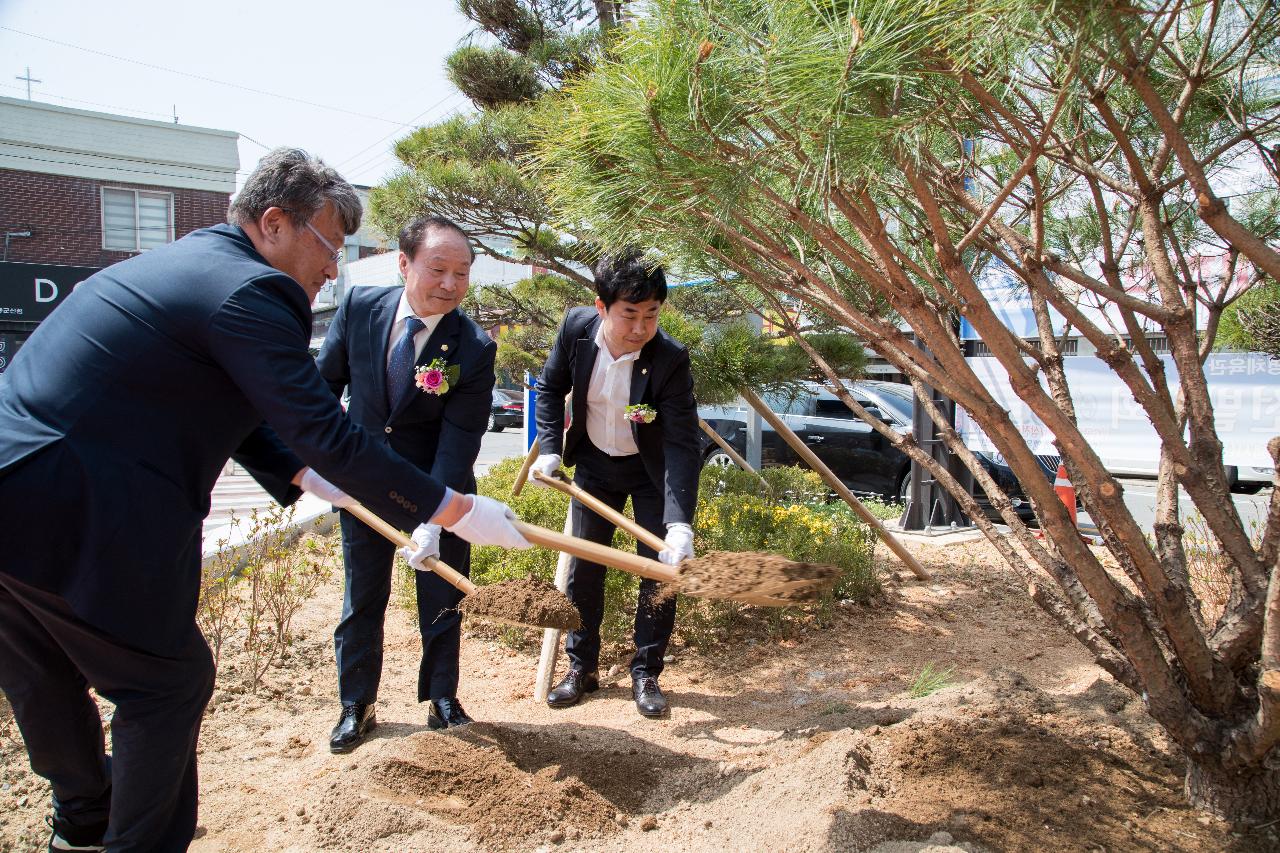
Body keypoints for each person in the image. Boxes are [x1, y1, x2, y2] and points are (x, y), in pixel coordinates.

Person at [0, 148, 529, 853]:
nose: (333, 267)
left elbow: (243, 405)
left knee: (45, 664)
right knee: (166, 684)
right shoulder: (255, 291)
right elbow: (324, 426)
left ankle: (83, 818)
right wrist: (455, 509)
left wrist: (302, 476)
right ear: (276, 223)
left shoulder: (191, 265)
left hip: (12, 490)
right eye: (329, 243)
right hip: (81, 506)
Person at [317, 213, 494, 751]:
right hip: (362, 483)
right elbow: (321, 390)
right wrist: (324, 466)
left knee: (441, 596)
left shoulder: (474, 347)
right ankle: (357, 704)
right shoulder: (359, 309)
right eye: (437, 270)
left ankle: (442, 698)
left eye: (461, 274)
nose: (450, 285)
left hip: (435, 486)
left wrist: (436, 517)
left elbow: (459, 439)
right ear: (404, 263)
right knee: (362, 597)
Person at [533, 251, 700, 718]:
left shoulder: (668, 359)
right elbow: (549, 388)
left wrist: (679, 524)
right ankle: (580, 667)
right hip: (592, 468)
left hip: (649, 473)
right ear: (602, 307)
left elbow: (682, 444)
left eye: (652, 315)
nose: (640, 328)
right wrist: (549, 447)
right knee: (584, 570)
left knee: (659, 572)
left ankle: (646, 672)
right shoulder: (576, 331)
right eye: (630, 314)